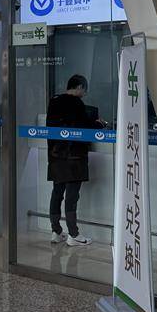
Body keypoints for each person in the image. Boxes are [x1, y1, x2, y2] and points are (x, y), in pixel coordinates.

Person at [46, 74, 106, 246]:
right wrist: (100, 124)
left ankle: (56, 231)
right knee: (72, 195)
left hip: (56, 155)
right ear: (79, 87)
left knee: (57, 193)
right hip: (74, 156)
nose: (84, 94)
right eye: (84, 90)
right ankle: (73, 234)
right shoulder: (77, 103)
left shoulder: (54, 101)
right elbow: (85, 127)